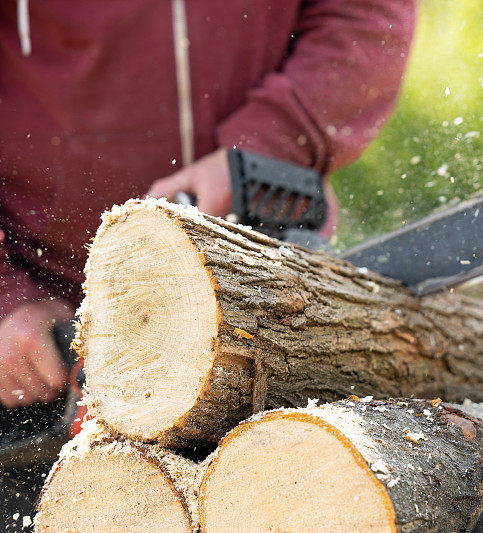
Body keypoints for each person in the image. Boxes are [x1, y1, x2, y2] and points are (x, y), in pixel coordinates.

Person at [0, 0, 415, 527]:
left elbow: (366, 15)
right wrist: (5, 296)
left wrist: (268, 143)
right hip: (37, 295)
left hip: (263, 278)